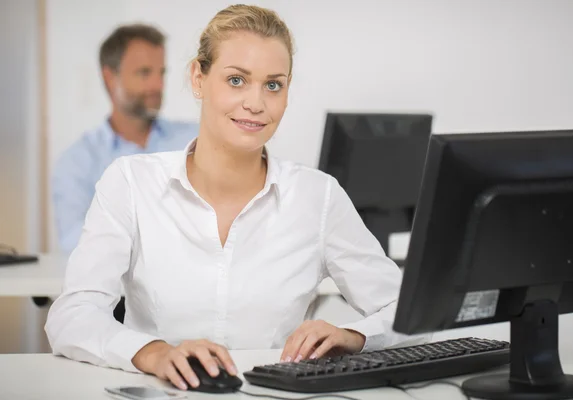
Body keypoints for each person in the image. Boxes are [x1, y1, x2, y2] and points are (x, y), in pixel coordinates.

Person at [45, 4, 423, 392]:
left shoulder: (318, 196)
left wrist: (354, 335)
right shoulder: (130, 182)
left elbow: (408, 314)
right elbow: (71, 316)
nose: (256, 103)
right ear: (198, 78)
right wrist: (153, 352)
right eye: (237, 80)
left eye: (273, 84)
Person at [52, 23, 199, 254]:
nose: (157, 85)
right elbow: (75, 240)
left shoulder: (195, 140)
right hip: (116, 288)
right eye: (144, 73)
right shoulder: (77, 162)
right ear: (111, 78)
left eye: (161, 73)